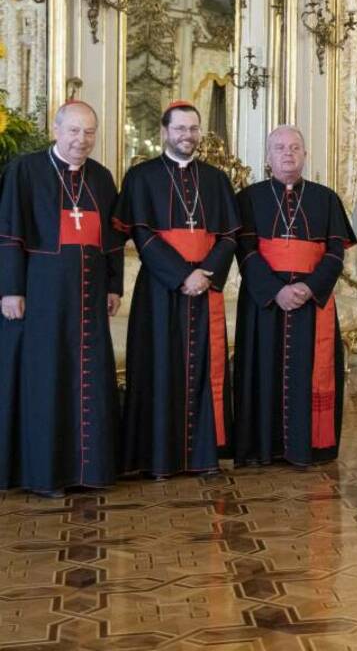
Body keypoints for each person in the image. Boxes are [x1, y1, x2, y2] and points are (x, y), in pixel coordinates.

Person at [0, 101, 124, 497]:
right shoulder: (26, 170)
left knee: (89, 376)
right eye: (73, 131)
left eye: (89, 132)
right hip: (42, 296)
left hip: (88, 297)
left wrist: (113, 286)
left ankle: (90, 469)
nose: (80, 140)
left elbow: (112, 240)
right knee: (48, 377)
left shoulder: (102, 178)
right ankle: (45, 472)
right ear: (56, 129)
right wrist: (10, 289)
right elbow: (9, 232)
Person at [113, 100, 240, 479]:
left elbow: (230, 234)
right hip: (159, 290)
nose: (188, 136)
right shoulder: (141, 177)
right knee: (158, 367)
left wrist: (206, 273)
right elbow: (141, 232)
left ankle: (203, 455)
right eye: (180, 129)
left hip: (205, 288)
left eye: (193, 129)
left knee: (204, 368)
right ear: (164, 132)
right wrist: (181, 276)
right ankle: (157, 459)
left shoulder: (216, 180)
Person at [233, 125, 357, 467]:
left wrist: (309, 288)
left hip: (311, 303)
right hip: (265, 305)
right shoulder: (248, 198)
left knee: (310, 373)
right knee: (262, 370)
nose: (288, 153)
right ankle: (262, 448)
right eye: (280, 148)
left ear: (305, 154)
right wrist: (276, 290)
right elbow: (244, 250)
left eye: (295, 147)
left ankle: (310, 446)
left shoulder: (326, 198)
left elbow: (335, 252)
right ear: (269, 157)